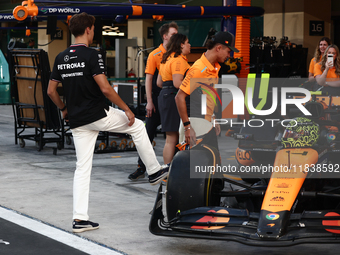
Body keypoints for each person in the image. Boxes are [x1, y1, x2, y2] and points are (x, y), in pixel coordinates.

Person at [47, 12, 169, 233]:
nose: (93, 32)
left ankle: (79, 219)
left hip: (77, 120)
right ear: (88, 30)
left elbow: (50, 91)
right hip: (98, 115)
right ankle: (153, 171)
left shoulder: (61, 57)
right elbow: (105, 88)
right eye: (93, 29)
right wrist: (126, 108)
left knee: (82, 168)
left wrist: (64, 109)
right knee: (139, 126)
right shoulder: (93, 55)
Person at [128, 22, 178, 181]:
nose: (176, 37)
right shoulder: (155, 55)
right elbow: (149, 79)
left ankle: (173, 168)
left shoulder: (177, 55)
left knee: (173, 135)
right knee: (147, 133)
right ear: (165, 36)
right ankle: (141, 167)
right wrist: (149, 101)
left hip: (172, 99)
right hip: (156, 100)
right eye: (173, 34)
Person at [175, 31, 239, 147]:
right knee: (196, 163)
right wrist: (188, 127)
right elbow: (179, 97)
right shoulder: (199, 69)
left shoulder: (214, 68)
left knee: (212, 161)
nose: (229, 56)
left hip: (206, 122)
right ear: (219, 48)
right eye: (228, 51)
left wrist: (213, 117)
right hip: (195, 123)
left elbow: (205, 95)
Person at [157, 34, 191, 164]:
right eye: (188, 42)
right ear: (181, 44)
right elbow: (178, 83)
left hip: (164, 95)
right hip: (173, 96)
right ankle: (171, 172)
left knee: (170, 138)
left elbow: (159, 83)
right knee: (174, 138)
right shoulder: (179, 60)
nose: (189, 45)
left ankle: (167, 172)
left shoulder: (166, 59)